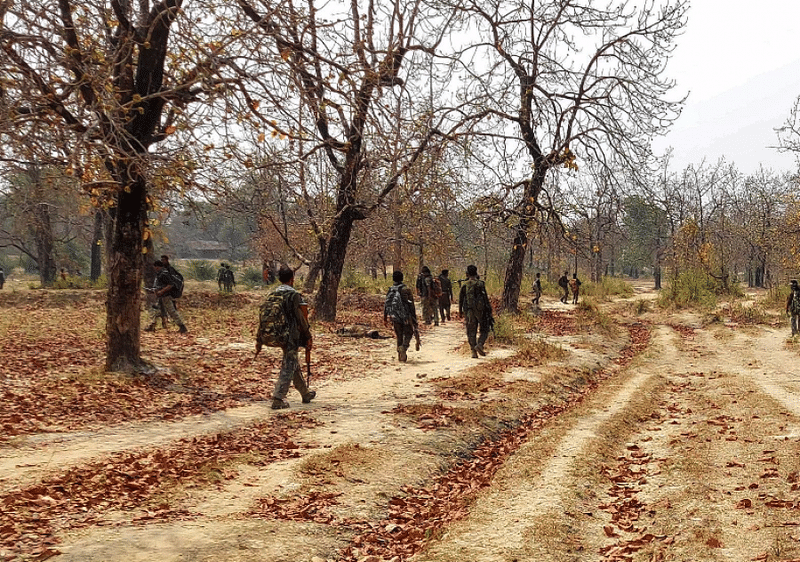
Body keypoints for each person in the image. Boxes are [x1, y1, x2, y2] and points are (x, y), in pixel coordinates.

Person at [269, 265, 316, 409]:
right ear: (292, 279)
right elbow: (300, 317)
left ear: (279, 279)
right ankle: (278, 398)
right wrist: (307, 335)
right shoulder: (294, 295)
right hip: (290, 335)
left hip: (276, 333)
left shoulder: (274, 294)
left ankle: (305, 393)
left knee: (292, 360)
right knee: (289, 364)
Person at [459, 264, 493, 358]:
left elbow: (461, 299)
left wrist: (460, 311)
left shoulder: (464, 285)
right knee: (485, 329)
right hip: (481, 311)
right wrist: (489, 310)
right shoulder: (480, 284)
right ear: (476, 273)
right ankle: (480, 344)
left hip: (469, 311)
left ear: (467, 274)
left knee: (471, 331)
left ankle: (473, 351)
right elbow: (485, 298)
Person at [384, 271, 419, 362]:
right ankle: (403, 347)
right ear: (402, 278)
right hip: (406, 316)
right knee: (408, 333)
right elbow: (411, 305)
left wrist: (385, 317)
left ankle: (400, 356)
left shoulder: (391, 289)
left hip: (394, 316)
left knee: (399, 335)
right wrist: (414, 318)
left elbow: (386, 304)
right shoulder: (406, 289)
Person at [144, 260, 188, 333]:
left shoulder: (164, 274)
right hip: (162, 297)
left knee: (171, 311)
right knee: (156, 311)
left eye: (155, 267)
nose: (154, 269)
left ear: (157, 267)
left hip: (166, 296)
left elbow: (170, 285)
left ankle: (182, 326)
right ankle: (152, 325)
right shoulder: (161, 273)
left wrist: (161, 291)